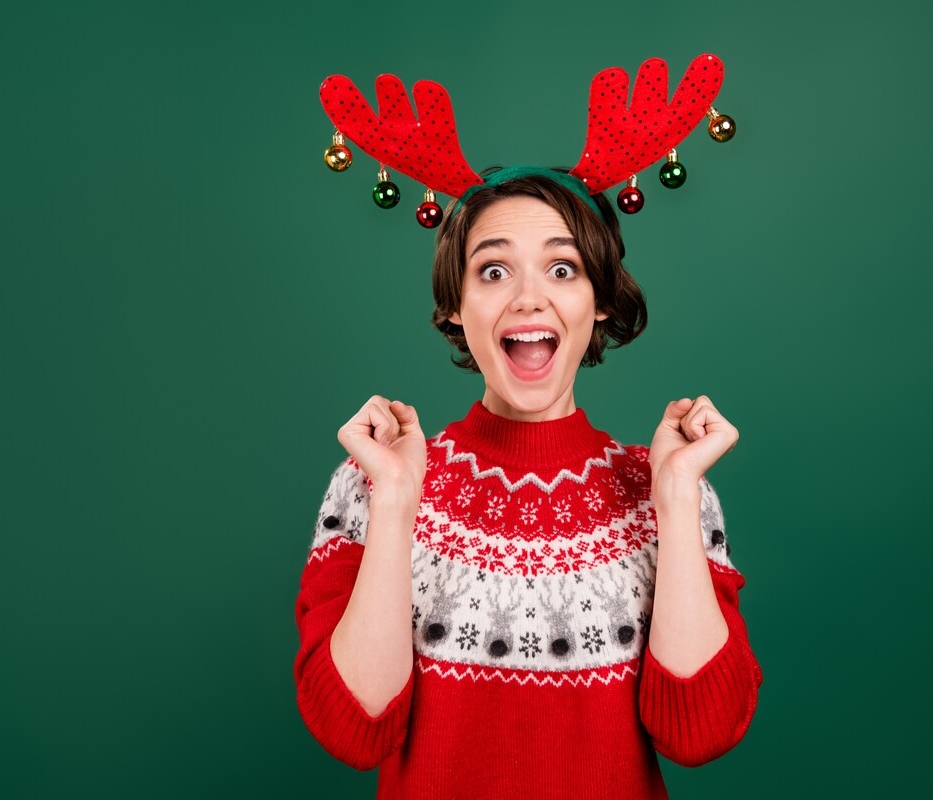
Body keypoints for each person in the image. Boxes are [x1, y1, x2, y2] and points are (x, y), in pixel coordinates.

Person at [294, 167, 762, 799]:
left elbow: (698, 734)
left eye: (562, 269)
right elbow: (355, 731)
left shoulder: (665, 491)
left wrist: (675, 500)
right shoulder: (374, 486)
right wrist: (398, 504)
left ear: (599, 300)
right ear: (456, 306)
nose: (528, 298)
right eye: (493, 270)